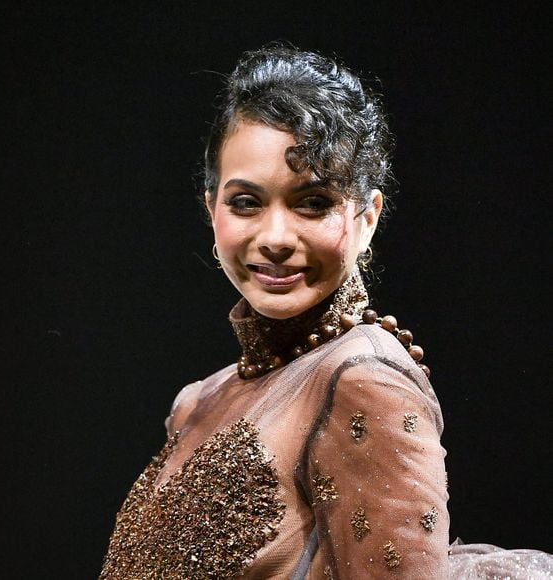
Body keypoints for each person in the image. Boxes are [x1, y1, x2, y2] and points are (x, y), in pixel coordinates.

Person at [99, 44, 552, 579]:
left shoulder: (364, 379)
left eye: (313, 203)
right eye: (245, 202)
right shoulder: (196, 402)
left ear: (368, 218)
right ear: (211, 208)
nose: (274, 238)